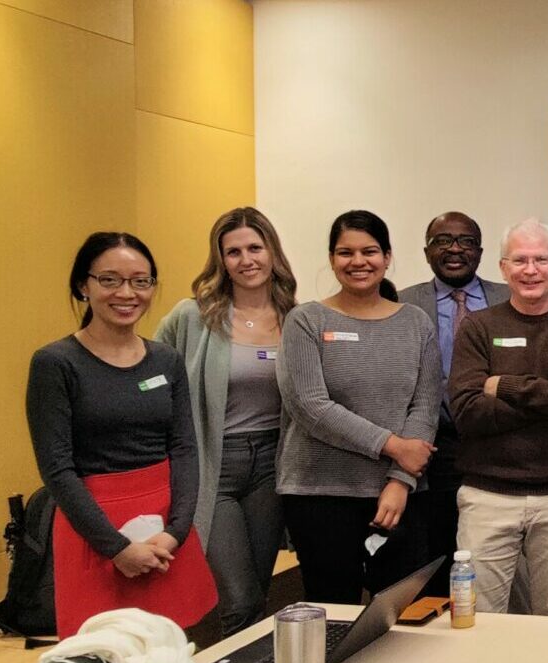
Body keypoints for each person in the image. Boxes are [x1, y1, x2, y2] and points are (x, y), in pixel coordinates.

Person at [26, 232, 215, 637]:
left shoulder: (166, 359)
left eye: (140, 281)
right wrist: (116, 548)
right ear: (83, 285)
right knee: (107, 656)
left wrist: (176, 532)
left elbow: (183, 447)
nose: (126, 293)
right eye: (109, 280)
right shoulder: (55, 363)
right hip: (94, 531)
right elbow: (57, 468)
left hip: (166, 531)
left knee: (178, 651)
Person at [277, 210, 440, 605]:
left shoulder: (416, 323)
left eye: (369, 251)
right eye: (345, 252)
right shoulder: (306, 320)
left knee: (404, 617)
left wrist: (401, 479)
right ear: (332, 259)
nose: (358, 262)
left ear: (387, 257)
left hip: (398, 494)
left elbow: (425, 405)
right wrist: (394, 446)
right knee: (333, 612)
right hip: (320, 494)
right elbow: (310, 406)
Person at [449, 219, 548, 617]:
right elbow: (467, 411)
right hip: (487, 497)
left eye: (541, 259)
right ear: (503, 268)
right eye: (520, 260)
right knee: (478, 617)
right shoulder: (478, 328)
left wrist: (506, 387)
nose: (530, 270)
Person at [156, 207, 302, 637]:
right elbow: (151, 373)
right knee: (236, 596)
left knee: (257, 590)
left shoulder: (297, 317)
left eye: (255, 247)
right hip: (214, 465)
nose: (246, 259)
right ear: (220, 260)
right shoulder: (193, 317)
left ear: (272, 251)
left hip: (272, 466)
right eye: (233, 252)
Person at [398, 212, 509, 585]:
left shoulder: (509, 298)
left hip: (497, 443)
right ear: (427, 250)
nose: (455, 249)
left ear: (480, 251)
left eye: (466, 241)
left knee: (492, 560)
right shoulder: (402, 304)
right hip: (433, 446)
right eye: (443, 240)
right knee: (435, 555)